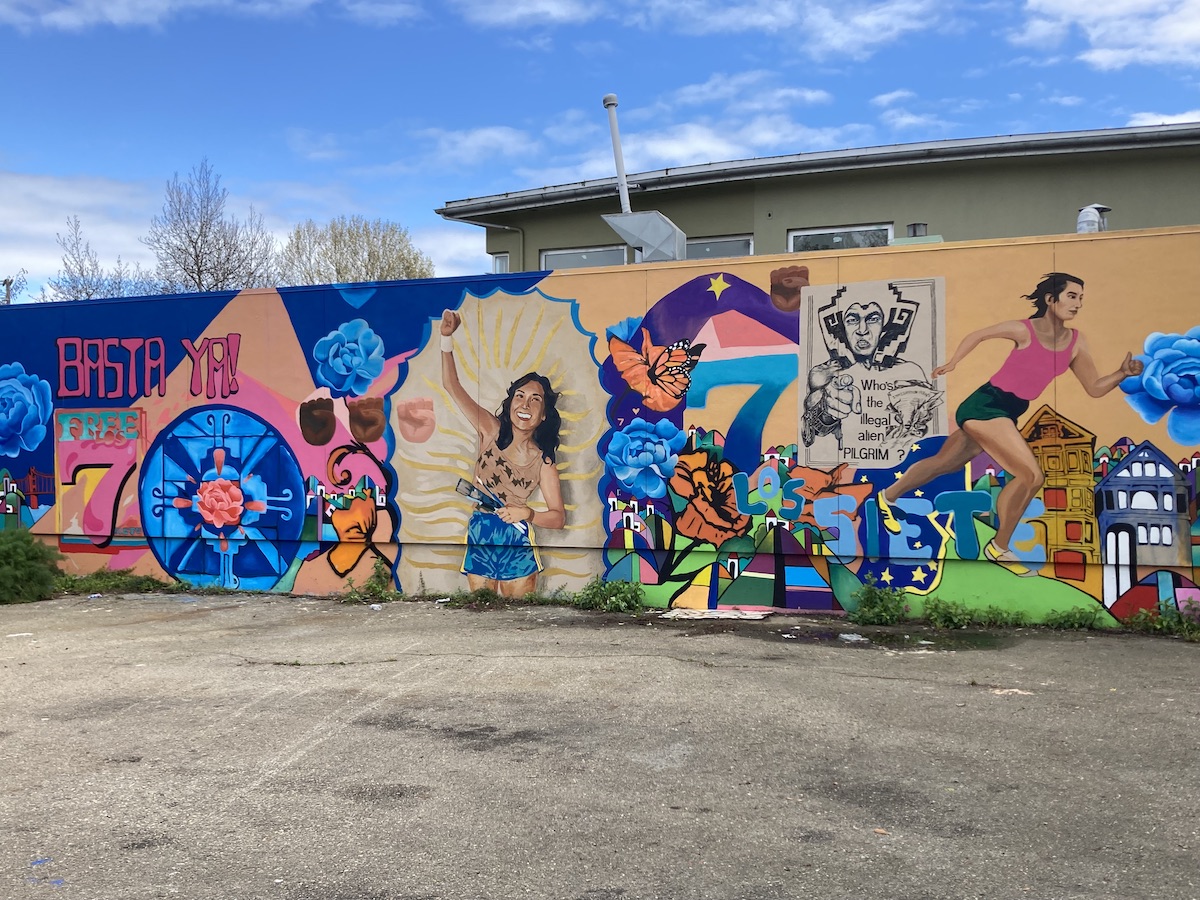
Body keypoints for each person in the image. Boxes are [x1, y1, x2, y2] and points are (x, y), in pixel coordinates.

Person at [877, 273, 1143, 575]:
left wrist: (1122, 374)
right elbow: (979, 334)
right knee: (1031, 476)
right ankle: (999, 547)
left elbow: (1094, 387)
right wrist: (954, 362)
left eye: (1081, 298)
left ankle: (888, 496)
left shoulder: (1076, 343)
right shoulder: (1024, 330)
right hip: (986, 405)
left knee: (943, 463)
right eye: (1072, 296)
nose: (1078, 304)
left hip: (1009, 411)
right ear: (1050, 299)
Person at [439, 309, 566, 596]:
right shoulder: (490, 430)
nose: (525, 404)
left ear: (544, 415)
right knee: (481, 615)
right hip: (481, 534)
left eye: (536, 400)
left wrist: (529, 513)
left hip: (516, 541)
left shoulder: (543, 461)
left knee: (518, 621)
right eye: (520, 396)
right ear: (510, 404)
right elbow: (452, 386)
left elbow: (558, 518)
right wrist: (446, 339)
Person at [802, 284, 940, 459]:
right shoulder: (828, 374)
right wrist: (825, 411)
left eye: (872, 319)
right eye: (852, 320)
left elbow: (928, 432)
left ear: (888, 324)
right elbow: (811, 434)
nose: (862, 330)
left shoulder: (910, 371)